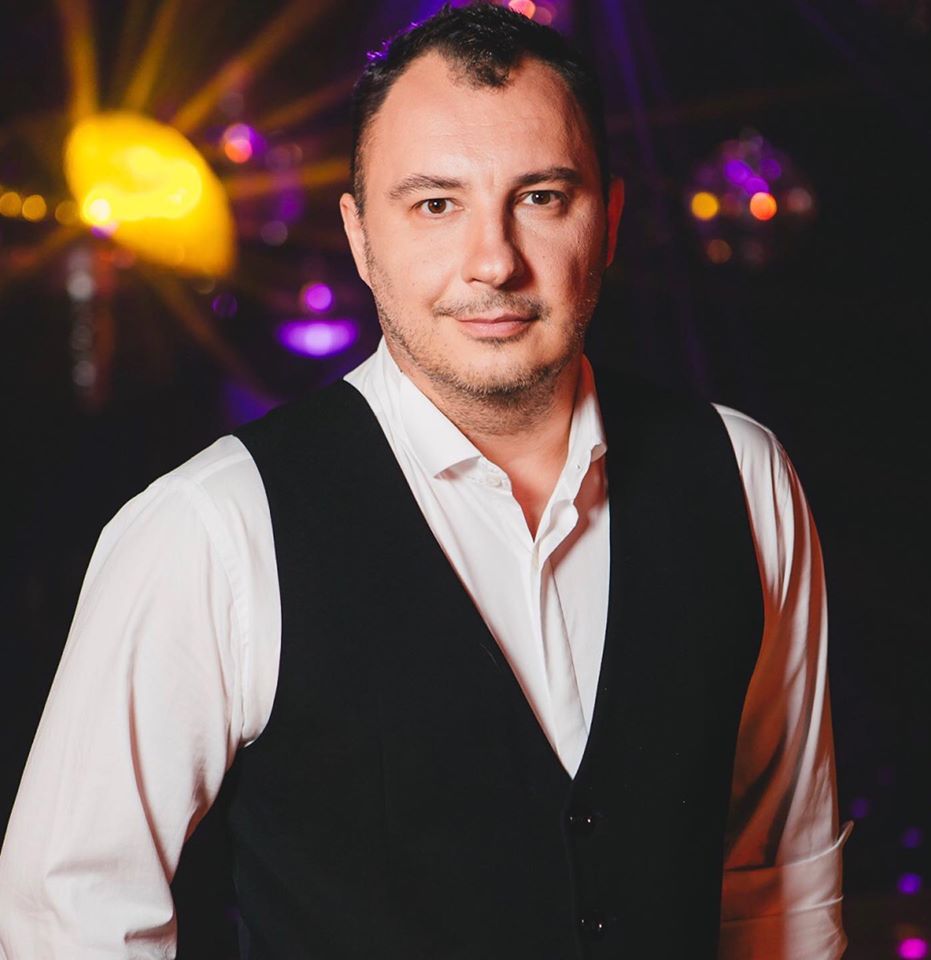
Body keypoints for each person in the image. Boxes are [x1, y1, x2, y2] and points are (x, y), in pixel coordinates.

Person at [0, 3, 850, 957]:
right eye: (436, 204)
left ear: (608, 221)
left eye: (541, 197)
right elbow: (69, 916)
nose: (493, 262)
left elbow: (782, 876)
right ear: (362, 237)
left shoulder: (743, 476)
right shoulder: (211, 527)